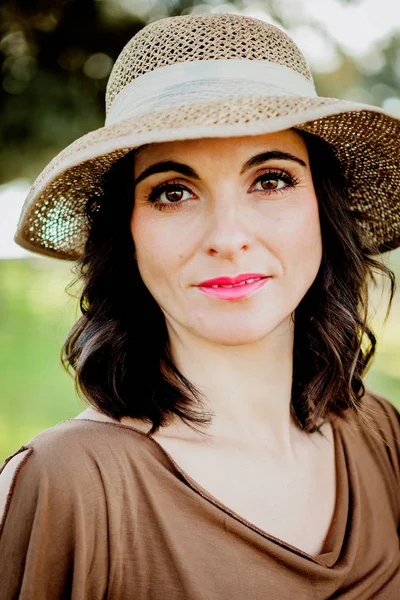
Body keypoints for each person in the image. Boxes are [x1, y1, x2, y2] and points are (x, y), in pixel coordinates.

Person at [0, 12, 399, 599]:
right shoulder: (72, 485)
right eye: (173, 192)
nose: (228, 236)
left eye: (270, 180)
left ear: (324, 208)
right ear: (126, 233)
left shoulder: (382, 436)